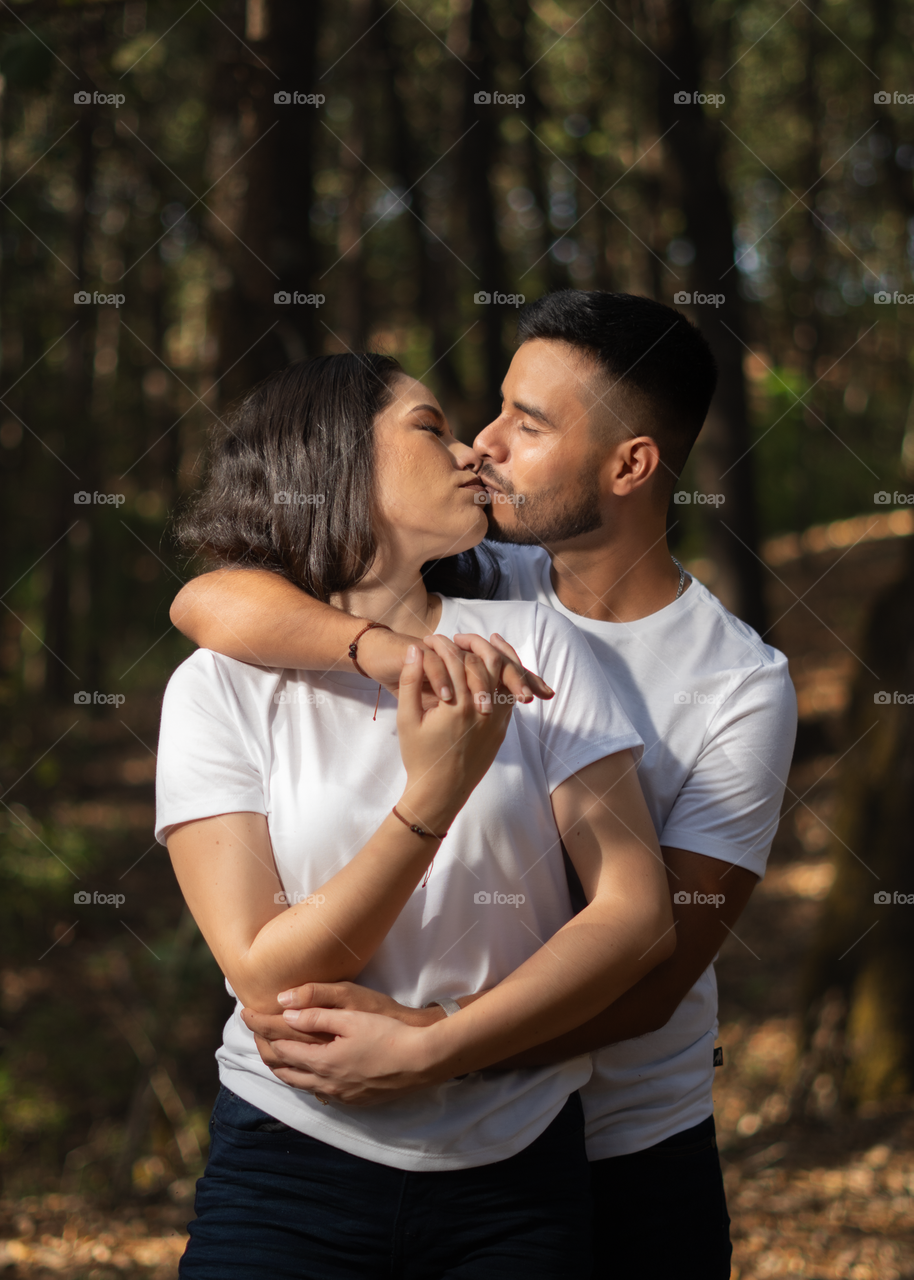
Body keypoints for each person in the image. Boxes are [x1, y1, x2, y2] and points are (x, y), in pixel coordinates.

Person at [172, 290, 799, 1279]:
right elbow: (209, 597)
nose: (484, 443)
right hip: (376, 1134)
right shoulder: (479, 579)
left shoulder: (738, 685)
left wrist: (432, 1048)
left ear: (630, 464)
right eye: (492, 408)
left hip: (624, 1137)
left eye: (529, 423)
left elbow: (654, 969)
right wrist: (376, 648)